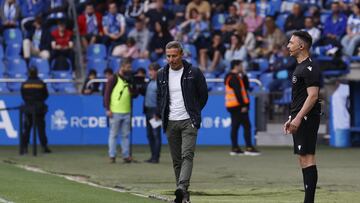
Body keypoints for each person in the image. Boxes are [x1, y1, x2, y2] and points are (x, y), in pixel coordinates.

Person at [157, 41, 208, 203]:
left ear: (181, 55)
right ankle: (183, 194)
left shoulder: (194, 72)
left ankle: (182, 187)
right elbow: (161, 97)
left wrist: (194, 113)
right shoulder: (161, 73)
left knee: (187, 155)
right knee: (176, 159)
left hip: (188, 121)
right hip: (170, 121)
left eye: (174, 56)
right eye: (168, 56)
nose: (171, 59)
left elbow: (203, 95)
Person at [284, 31, 321, 203]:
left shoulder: (309, 68)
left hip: (307, 119)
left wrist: (298, 118)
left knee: (308, 157)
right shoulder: (299, 67)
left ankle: (309, 200)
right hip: (300, 117)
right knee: (303, 158)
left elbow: (313, 96)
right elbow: (300, 97)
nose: (288, 46)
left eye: (291, 43)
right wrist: (292, 118)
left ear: (301, 46)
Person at [224, 60, 260, 156]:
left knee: (237, 127)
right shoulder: (233, 78)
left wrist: (244, 75)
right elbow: (238, 93)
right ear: (236, 66)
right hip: (237, 106)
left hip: (235, 106)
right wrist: (243, 105)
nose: (242, 67)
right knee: (245, 126)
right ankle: (247, 147)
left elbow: (246, 86)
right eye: (240, 65)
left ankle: (236, 148)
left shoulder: (235, 77)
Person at [104, 58, 135, 164]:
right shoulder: (113, 78)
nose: (130, 69)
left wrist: (133, 84)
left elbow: (134, 94)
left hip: (127, 111)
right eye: (128, 67)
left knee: (125, 135)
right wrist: (108, 109)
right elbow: (107, 94)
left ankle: (126, 155)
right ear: (122, 67)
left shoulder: (129, 79)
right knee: (114, 134)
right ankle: (112, 155)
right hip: (115, 111)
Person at [20, 67, 51, 154]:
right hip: (39, 108)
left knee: (27, 128)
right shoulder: (41, 83)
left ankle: (24, 148)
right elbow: (46, 95)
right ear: (37, 72)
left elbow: (23, 96)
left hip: (28, 108)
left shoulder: (24, 84)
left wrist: (29, 102)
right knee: (41, 128)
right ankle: (44, 147)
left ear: (29, 73)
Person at [142, 63, 161, 164]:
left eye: (152, 70)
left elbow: (162, 100)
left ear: (157, 71)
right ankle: (152, 156)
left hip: (155, 112)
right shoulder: (149, 82)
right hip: (148, 111)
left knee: (156, 135)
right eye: (149, 70)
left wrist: (158, 113)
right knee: (149, 135)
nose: (150, 72)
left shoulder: (160, 83)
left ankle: (156, 157)